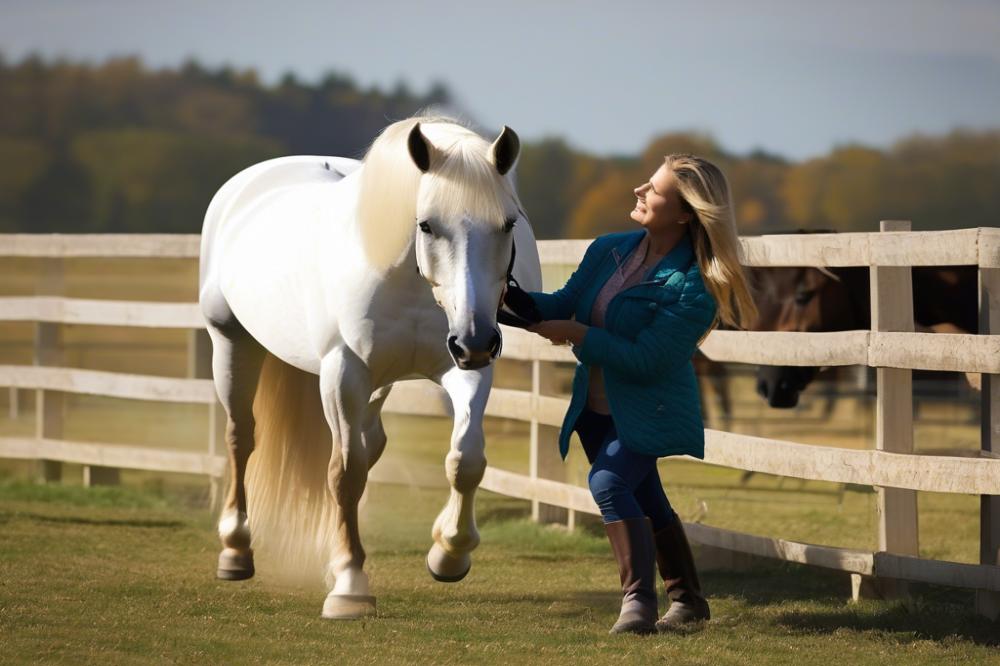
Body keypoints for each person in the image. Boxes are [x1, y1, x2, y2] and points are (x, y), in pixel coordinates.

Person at [503, 154, 757, 635]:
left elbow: (648, 359)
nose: (639, 190)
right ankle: (689, 601)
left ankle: (637, 604)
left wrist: (578, 333)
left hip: (651, 409)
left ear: (684, 213)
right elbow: (559, 304)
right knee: (648, 499)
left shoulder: (696, 286)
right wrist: (502, 293)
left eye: (653, 189)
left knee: (608, 483)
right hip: (595, 409)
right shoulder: (609, 249)